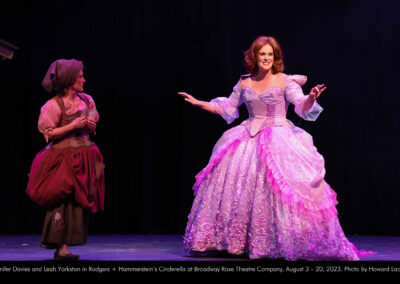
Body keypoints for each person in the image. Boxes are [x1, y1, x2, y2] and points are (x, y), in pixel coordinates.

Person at [178, 36, 373, 260]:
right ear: (254, 57)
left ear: (275, 57)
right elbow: (227, 107)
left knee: (283, 188)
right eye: (262, 54)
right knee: (241, 189)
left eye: (270, 54)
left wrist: (310, 97)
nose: (266, 58)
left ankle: (285, 242)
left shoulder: (285, 81)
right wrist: (198, 102)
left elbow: (301, 105)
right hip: (247, 138)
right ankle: (240, 241)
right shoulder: (245, 82)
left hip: (279, 138)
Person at [26, 59, 105, 261]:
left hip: (85, 155)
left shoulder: (87, 99)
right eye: (80, 77)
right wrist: (73, 125)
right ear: (70, 80)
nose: (84, 80)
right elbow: (49, 133)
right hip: (63, 157)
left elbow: (94, 120)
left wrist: (89, 123)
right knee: (62, 201)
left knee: (77, 204)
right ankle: (60, 247)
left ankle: (67, 245)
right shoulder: (53, 105)